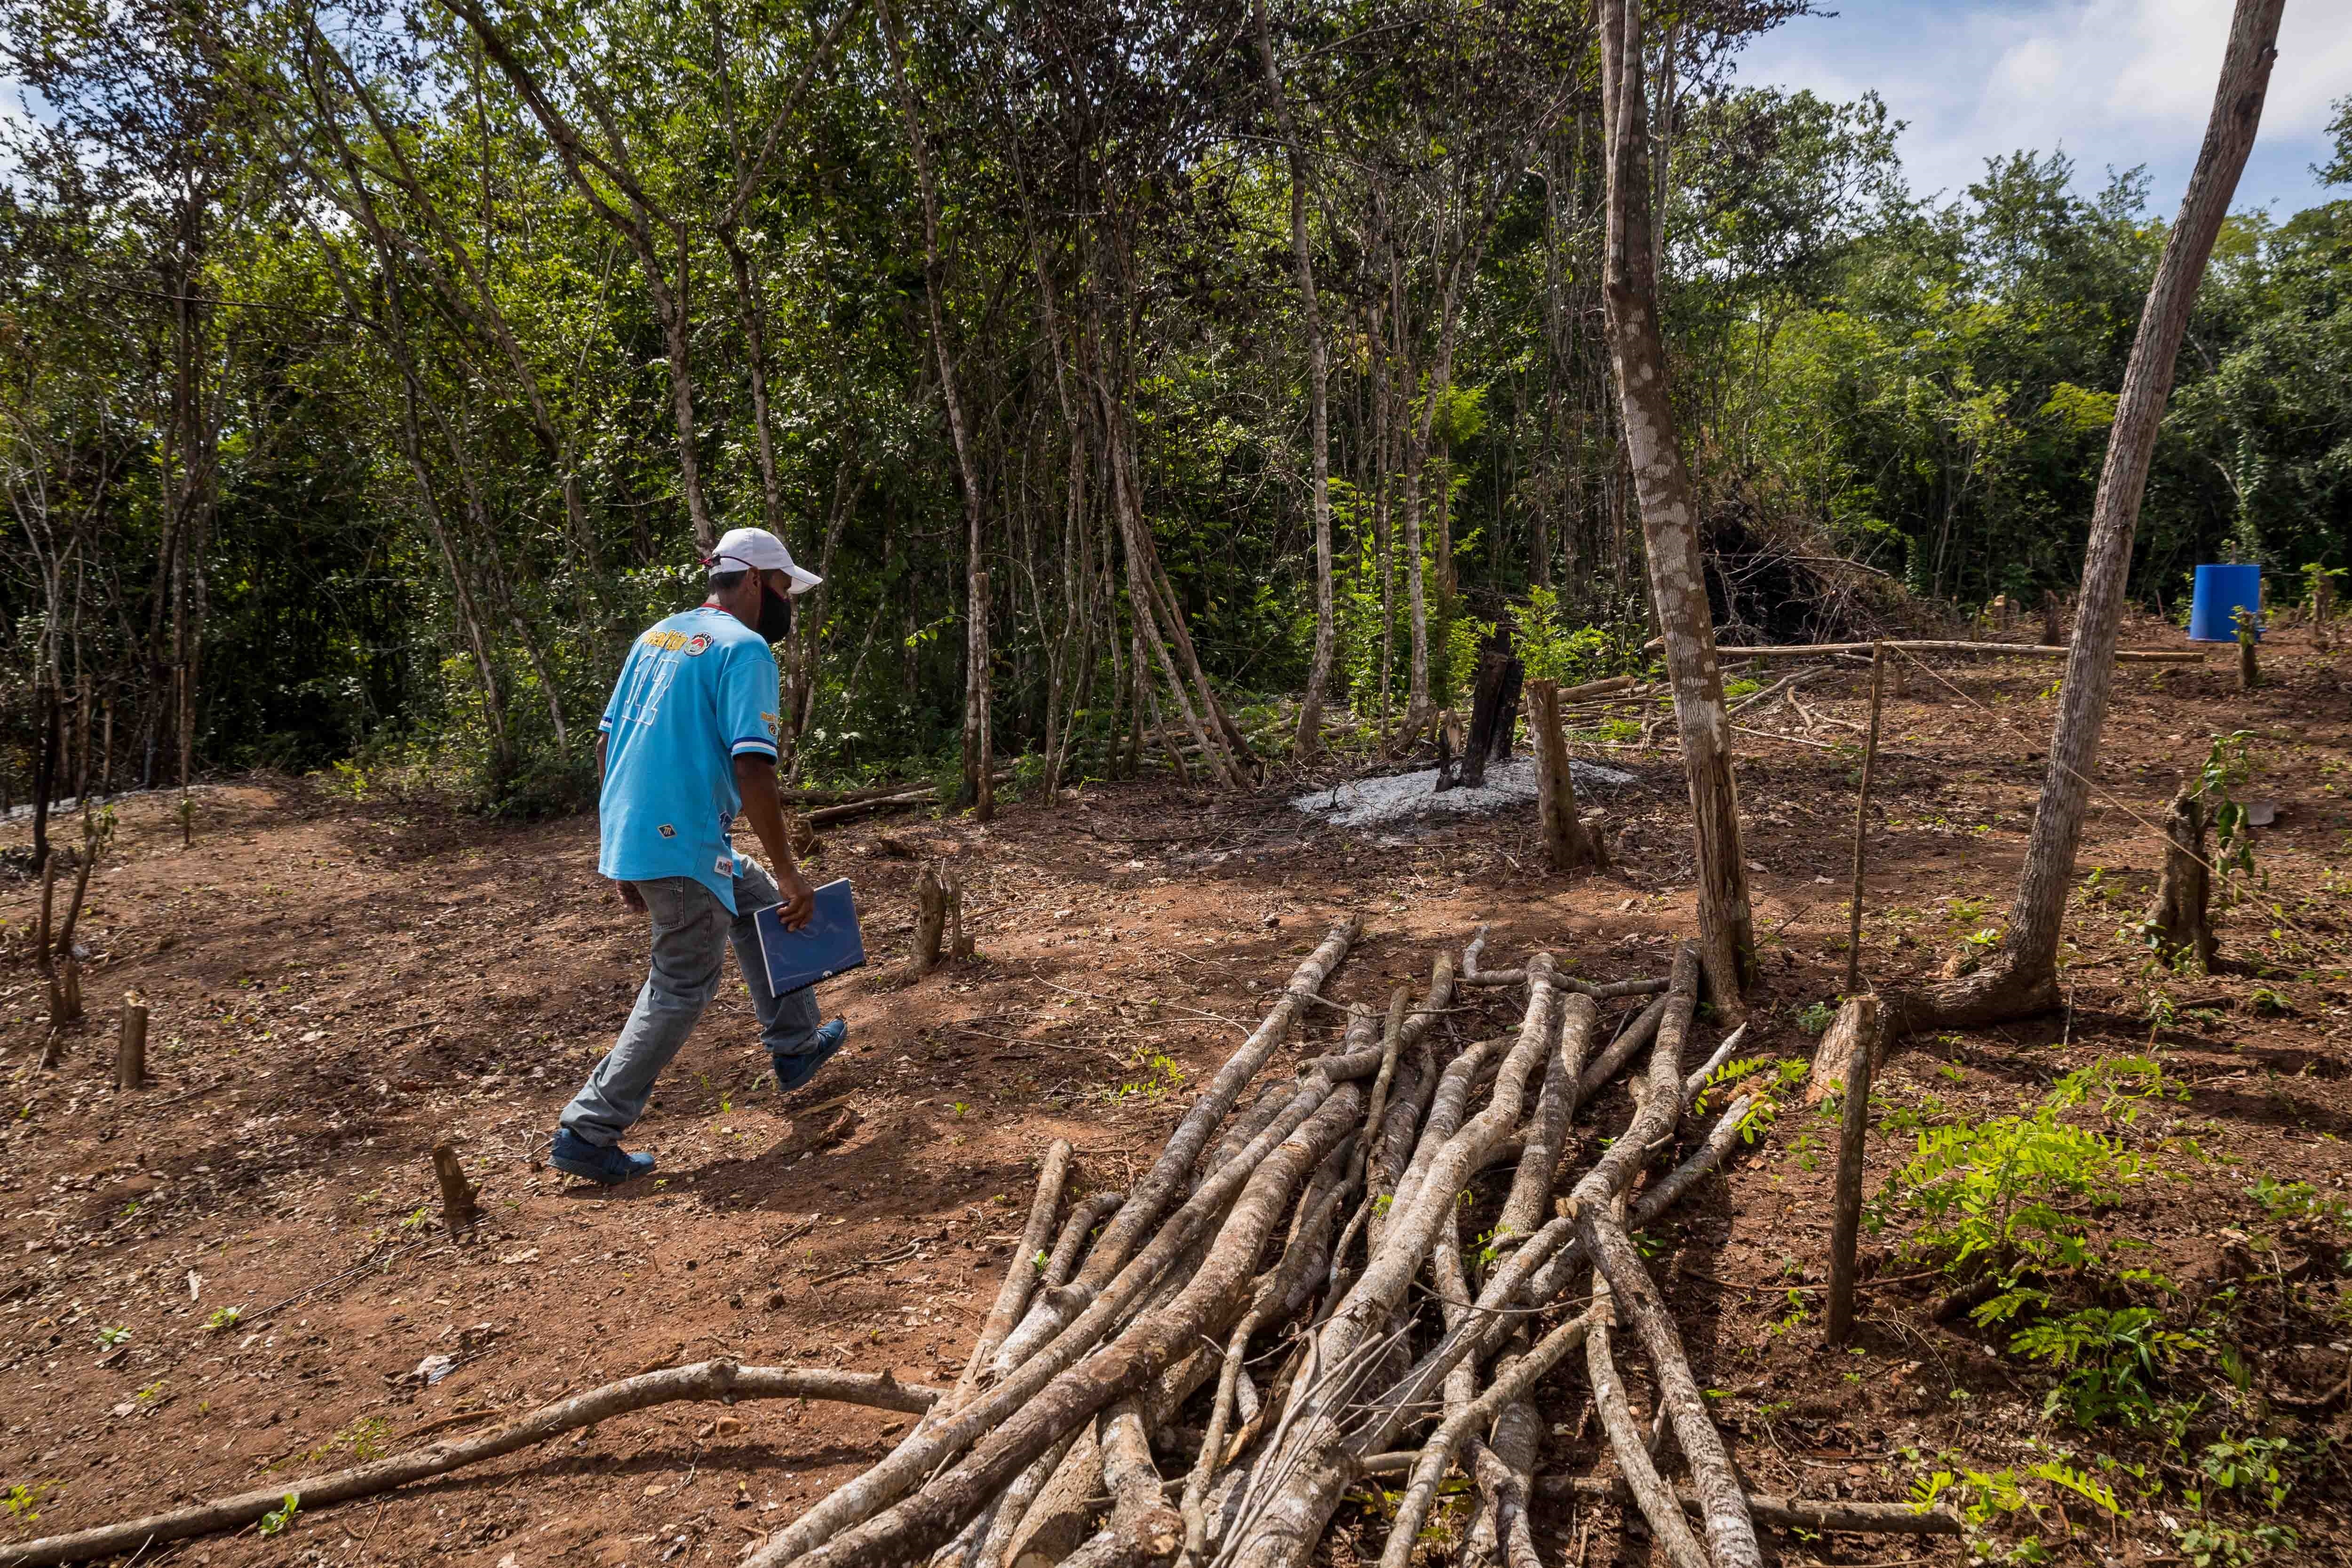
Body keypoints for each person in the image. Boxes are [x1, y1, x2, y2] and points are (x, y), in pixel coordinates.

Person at [548, 527, 848, 1186]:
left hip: (652, 836)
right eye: (782, 590)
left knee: (756, 894)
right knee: (682, 982)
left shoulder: (656, 635)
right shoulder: (745, 652)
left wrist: (619, 846)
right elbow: (753, 768)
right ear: (750, 582)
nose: (787, 606)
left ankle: (795, 1045)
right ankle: (589, 1127)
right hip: (679, 844)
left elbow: (607, 745)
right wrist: (798, 868)